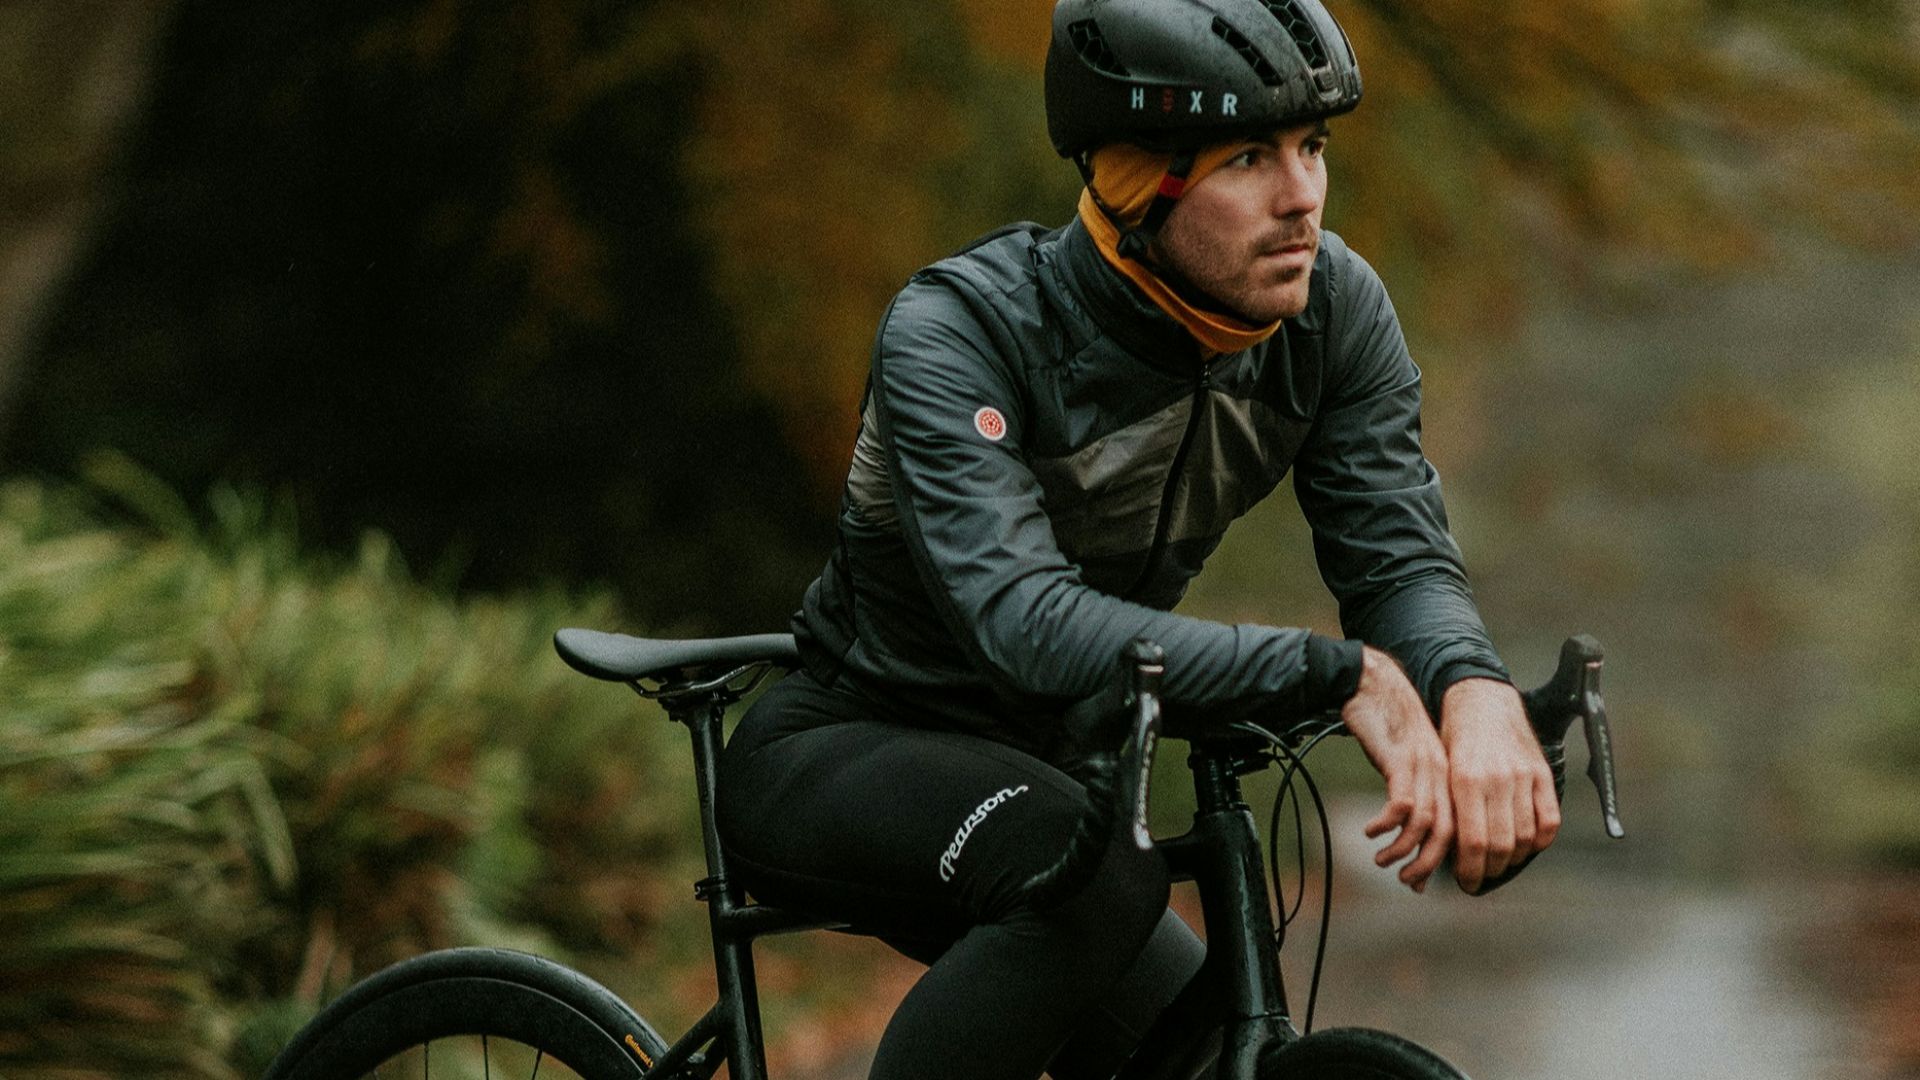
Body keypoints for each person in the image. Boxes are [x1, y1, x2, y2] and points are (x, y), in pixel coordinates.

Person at [716, 1, 1559, 1076]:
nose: (1303, 195)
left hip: (1062, 776)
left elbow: (1396, 557)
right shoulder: (963, 332)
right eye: (1248, 157)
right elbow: (1025, 622)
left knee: (1198, 1047)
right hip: (849, 745)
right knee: (1105, 884)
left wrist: (1471, 689)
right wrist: (1333, 672)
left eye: (1311, 147)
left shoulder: (1331, 316)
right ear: (1134, 180)